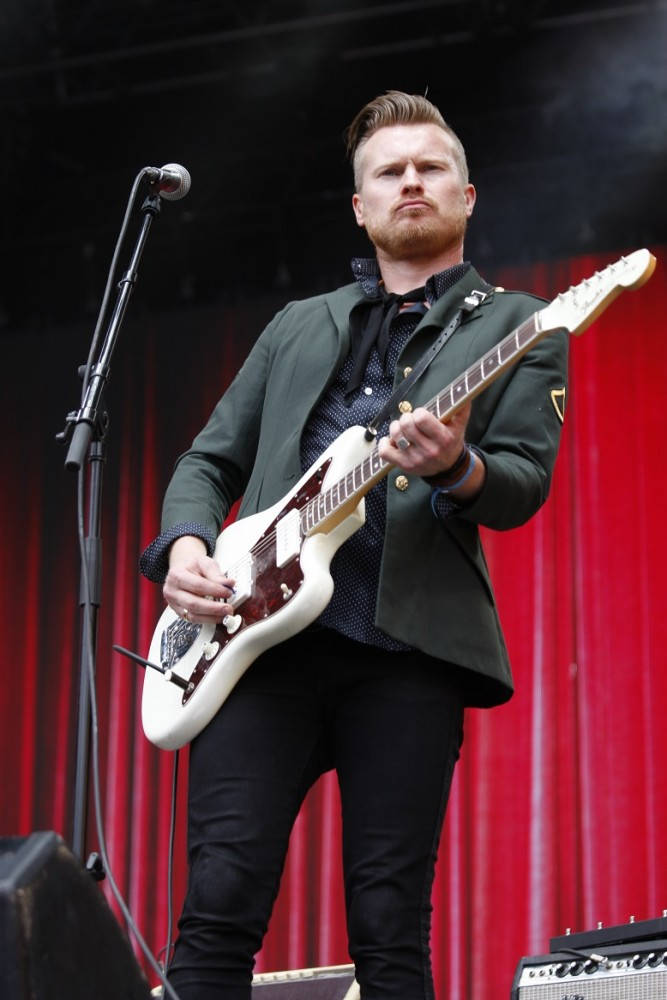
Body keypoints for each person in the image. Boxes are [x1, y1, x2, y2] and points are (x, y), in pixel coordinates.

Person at [140, 91, 567, 1000]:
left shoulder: (521, 324)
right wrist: (183, 549)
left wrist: (458, 468)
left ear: (467, 195)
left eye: (430, 167)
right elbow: (208, 461)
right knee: (217, 903)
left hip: (405, 653)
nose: (410, 180)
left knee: (388, 922)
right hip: (258, 646)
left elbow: (523, 483)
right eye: (389, 171)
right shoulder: (298, 322)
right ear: (360, 206)